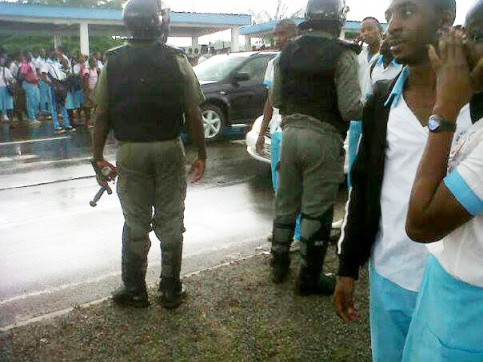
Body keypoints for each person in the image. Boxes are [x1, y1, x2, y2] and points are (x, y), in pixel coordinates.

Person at [334, 0, 473, 361]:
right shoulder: (382, 100)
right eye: (390, 16)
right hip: (391, 278)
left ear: (446, 19)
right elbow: (362, 187)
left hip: (457, 292)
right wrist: (348, 266)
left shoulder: (475, 106)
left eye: (407, 12)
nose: (392, 25)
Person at [92, 0, 207, 309]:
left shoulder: (112, 62)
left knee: (135, 221)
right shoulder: (177, 59)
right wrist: (202, 155)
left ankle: (134, 290)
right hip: (169, 148)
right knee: (171, 219)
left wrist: (97, 157)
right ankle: (170, 289)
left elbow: (101, 113)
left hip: (130, 151)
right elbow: (194, 112)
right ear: (159, 24)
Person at [403, 3, 483, 360]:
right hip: (445, 296)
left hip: (467, 316)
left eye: (476, 37)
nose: (461, 46)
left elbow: (420, 223)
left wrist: (445, 108)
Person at [270, 0, 362, 295]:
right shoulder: (343, 54)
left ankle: (279, 265)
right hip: (323, 137)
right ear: (337, 19)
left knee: (285, 203)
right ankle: (308, 278)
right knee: (316, 209)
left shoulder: (288, 51)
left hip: (290, 134)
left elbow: (278, 98)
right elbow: (349, 109)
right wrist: (375, 106)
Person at [256, 20, 301, 243]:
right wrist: (262, 132)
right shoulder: (274, 63)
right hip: (278, 132)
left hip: (298, 131)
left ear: (296, 34)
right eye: (276, 34)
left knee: (294, 187)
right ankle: (284, 231)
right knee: (278, 186)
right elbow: (270, 100)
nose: (278, 38)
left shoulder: (307, 62)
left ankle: (299, 234)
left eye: (283, 34)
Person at [42, 51, 74, 133]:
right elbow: (43, 76)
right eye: (55, 54)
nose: (57, 55)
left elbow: (66, 70)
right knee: (54, 106)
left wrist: (63, 59)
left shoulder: (57, 63)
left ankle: (67, 125)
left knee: (63, 105)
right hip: (54, 86)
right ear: (51, 54)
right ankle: (57, 126)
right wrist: (51, 84)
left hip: (61, 85)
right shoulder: (47, 64)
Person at [19, 51, 41, 126]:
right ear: (25, 57)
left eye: (30, 55)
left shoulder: (32, 63)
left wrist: (37, 80)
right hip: (28, 84)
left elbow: (35, 73)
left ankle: (33, 116)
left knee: (37, 100)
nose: (30, 56)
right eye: (28, 55)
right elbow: (23, 75)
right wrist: (30, 80)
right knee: (31, 101)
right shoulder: (25, 65)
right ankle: (32, 118)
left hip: (34, 84)